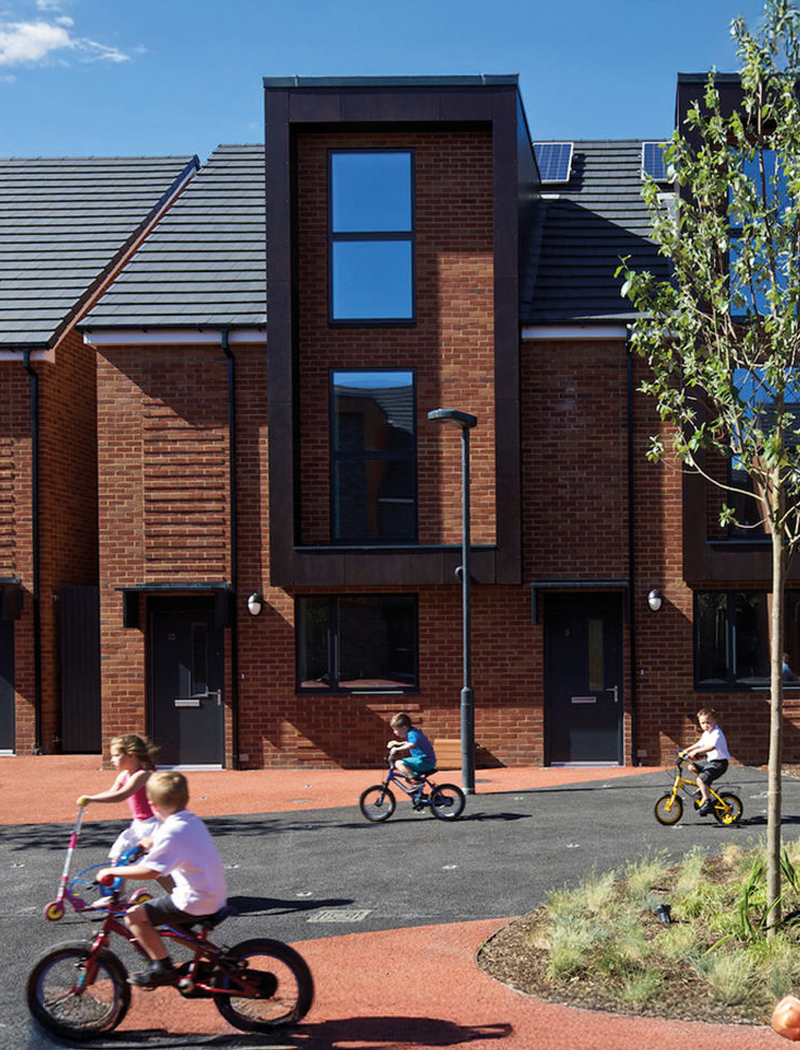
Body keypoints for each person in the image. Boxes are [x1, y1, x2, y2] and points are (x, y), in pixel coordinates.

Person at [96, 770, 227, 988]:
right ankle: (218, 959)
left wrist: (113, 872)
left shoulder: (171, 832)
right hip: (214, 894)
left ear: (153, 806)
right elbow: (167, 836)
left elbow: (150, 871)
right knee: (173, 928)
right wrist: (146, 842)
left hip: (194, 899)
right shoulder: (191, 821)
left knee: (133, 916)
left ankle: (162, 967)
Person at [77, 733, 163, 866]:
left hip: (151, 824)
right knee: (119, 856)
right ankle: (116, 887)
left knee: (154, 866)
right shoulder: (123, 775)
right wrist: (90, 799)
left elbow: (121, 795)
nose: (112, 759)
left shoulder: (141, 775)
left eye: (116, 755)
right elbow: (112, 792)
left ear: (131, 755)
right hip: (138, 824)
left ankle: (177, 887)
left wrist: (91, 799)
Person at [680, 706, 730, 817]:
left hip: (720, 763)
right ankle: (704, 788)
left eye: (708, 722)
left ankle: (708, 802)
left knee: (701, 779)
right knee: (692, 767)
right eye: (702, 723)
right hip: (710, 761)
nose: (705, 725)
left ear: (715, 721)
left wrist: (697, 752)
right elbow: (699, 743)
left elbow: (711, 747)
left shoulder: (717, 733)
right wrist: (687, 750)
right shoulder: (706, 733)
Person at [387, 712, 436, 780]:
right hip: (424, 761)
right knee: (406, 776)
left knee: (398, 763)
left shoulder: (412, 733)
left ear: (404, 728)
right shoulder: (412, 732)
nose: (394, 732)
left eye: (396, 730)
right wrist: (399, 744)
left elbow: (412, 745)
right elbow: (410, 743)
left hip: (424, 761)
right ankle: (416, 787)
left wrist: (397, 749)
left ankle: (415, 782)